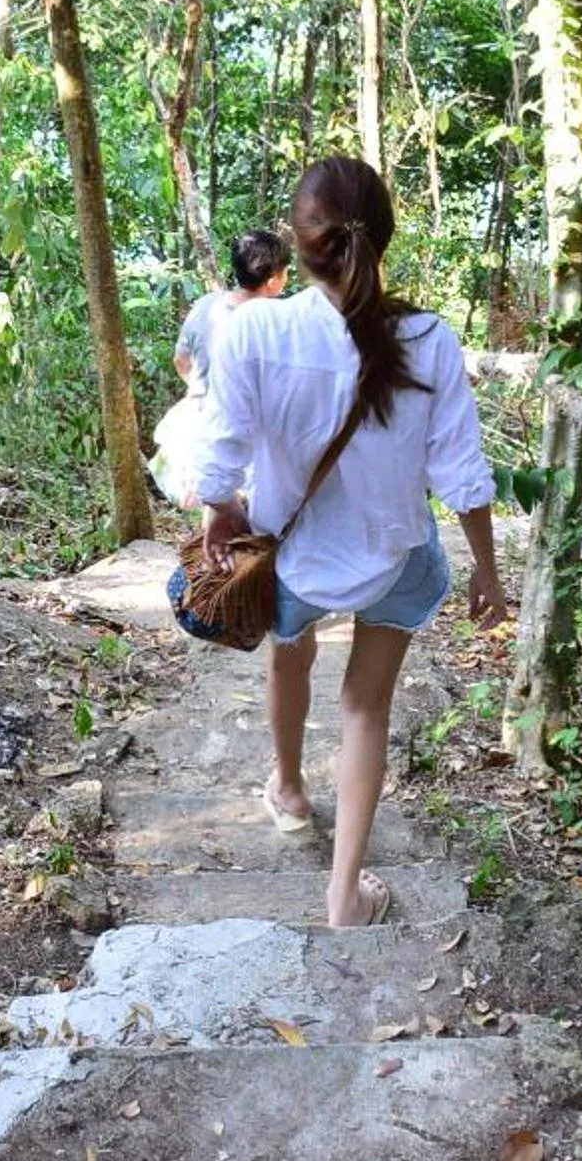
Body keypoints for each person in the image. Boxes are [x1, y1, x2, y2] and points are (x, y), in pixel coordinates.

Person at [196, 158, 508, 927]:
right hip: (394, 556)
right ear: (384, 239)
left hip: (293, 557)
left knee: (288, 653)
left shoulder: (253, 330)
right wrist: (487, 574)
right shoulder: (428, 338)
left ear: (297, 246)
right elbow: (459, 470)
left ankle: (289, 788)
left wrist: (217, 512)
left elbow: (222, 451)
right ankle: (344, 897)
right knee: (365, 710)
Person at [150, 229, 289, 506]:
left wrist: (203, 389)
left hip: (197, 429)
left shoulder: (206, 306)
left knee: (209, 526)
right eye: (286, 272)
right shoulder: (280, 321)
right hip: (251, 442)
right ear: (273, 280)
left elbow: (181, 361)